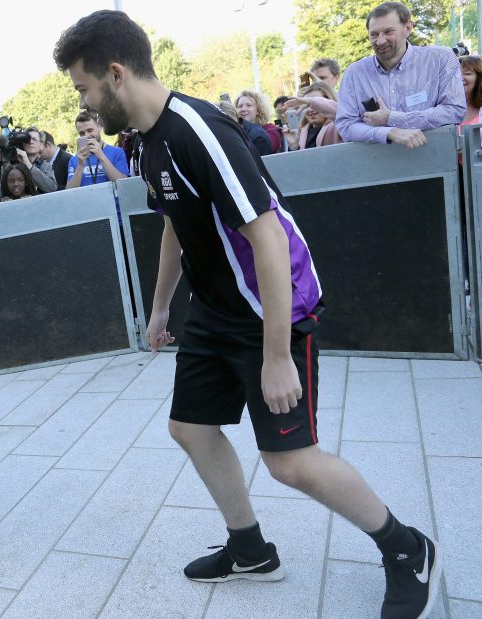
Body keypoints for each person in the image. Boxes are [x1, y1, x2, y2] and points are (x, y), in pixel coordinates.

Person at [54, 10, 441, 619]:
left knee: (290, 463)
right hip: (213, 309)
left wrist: (278, 353)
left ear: (116, 73)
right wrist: (160, 309)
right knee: (190, 427)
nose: (83, 102)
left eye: (83, 87)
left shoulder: (198, 132)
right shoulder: (147, 140)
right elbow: (174, 228)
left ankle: (406, 546)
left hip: (269, 309)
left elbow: (268, 240)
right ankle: (251, 550)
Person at [335, 2, 465, 148]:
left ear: (407, 28)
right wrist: (389, 133)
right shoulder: (354, 74)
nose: (380, 41)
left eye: (388, 32)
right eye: (374, 34)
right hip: (376, 167)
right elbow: (346, 126)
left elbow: (454, 110)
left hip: (436, 164)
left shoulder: (440, 58)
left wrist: (392, 118)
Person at [66, 111, 129, 188]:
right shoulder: (75, 159)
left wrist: (101, 156)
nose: (87, 136)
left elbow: (123, 184)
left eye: (90, 130)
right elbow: (69, 192)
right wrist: (80, 166)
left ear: (99, 128)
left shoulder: (117, 152)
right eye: (82, 133)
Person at [282, 82, 343, 150]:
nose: (310, 109)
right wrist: (294, 146)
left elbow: (340, 112)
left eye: (315, 104)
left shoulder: (338, 125)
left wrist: (310, 101)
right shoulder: (302, 132)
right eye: (307, 105)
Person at [460, 54, 482, 126]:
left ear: (479, 79)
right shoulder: (441, 106)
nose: (460, 78)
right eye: (456, 74)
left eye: (467, 74)